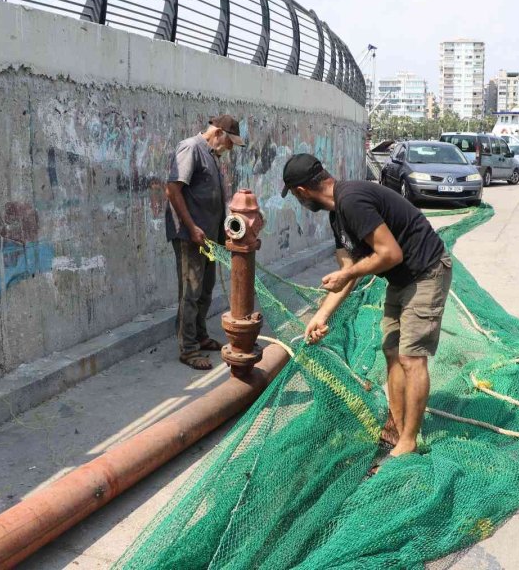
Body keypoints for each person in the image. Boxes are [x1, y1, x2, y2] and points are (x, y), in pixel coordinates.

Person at [281, 153, 452, 470]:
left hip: (426, 271)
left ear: (302, 191)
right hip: (401, 278)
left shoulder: (352, 200)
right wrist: (321, 316)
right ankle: (396, 428)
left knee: (411, 357)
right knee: (391, 351)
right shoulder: (337, 216)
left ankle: (408, 442)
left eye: (293, 195)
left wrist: (346, 275)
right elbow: (350, 269)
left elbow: (390, 253)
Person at [165, 115, 245, 370]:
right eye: (230, 141)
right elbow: (173, 189)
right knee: (191, 292)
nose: (231, 147)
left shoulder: (211, 154)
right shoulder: (191, 148)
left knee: (206, 289)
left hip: (209, 237)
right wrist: (191, 227)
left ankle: (199, 335)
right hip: (192, 236)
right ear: (219, 132)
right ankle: (188, 349)